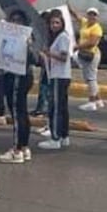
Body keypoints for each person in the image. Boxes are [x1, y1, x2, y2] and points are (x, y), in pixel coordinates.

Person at [0, 10, 36, 165]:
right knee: (20, 112)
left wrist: (28, 46)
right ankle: (24, 146)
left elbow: (35, 58)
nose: (15, 22)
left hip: (19, 77)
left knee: (17, 114)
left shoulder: (27, 37)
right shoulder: (7, 36)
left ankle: (17, 150)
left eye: (18, 20)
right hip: (10, 75)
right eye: (12, 19)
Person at [37, 9, 74, 151]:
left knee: (56, 108)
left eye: (57, 22)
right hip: (59, 75)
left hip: (60, 76)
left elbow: (64, 57)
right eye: (52, 22)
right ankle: (64, 136)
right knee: (62, 108)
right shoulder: (57, 37)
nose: (54, 25)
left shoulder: (63, 37)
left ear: (62, 23)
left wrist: (49, 53)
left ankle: (55, 138)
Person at [69, 5, 104, 111]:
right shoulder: (85, 23)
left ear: (97, 17)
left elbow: (92, 43)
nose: (92, 16)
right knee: (89, 77)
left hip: (91, 55)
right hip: (84, 54)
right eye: (90, 14)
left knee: (91, 78)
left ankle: (92, 101)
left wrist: (76, 47)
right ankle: (98, 100)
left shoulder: (97, 28)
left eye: (94, 15)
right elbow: (76, 16)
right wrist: (69, 8)